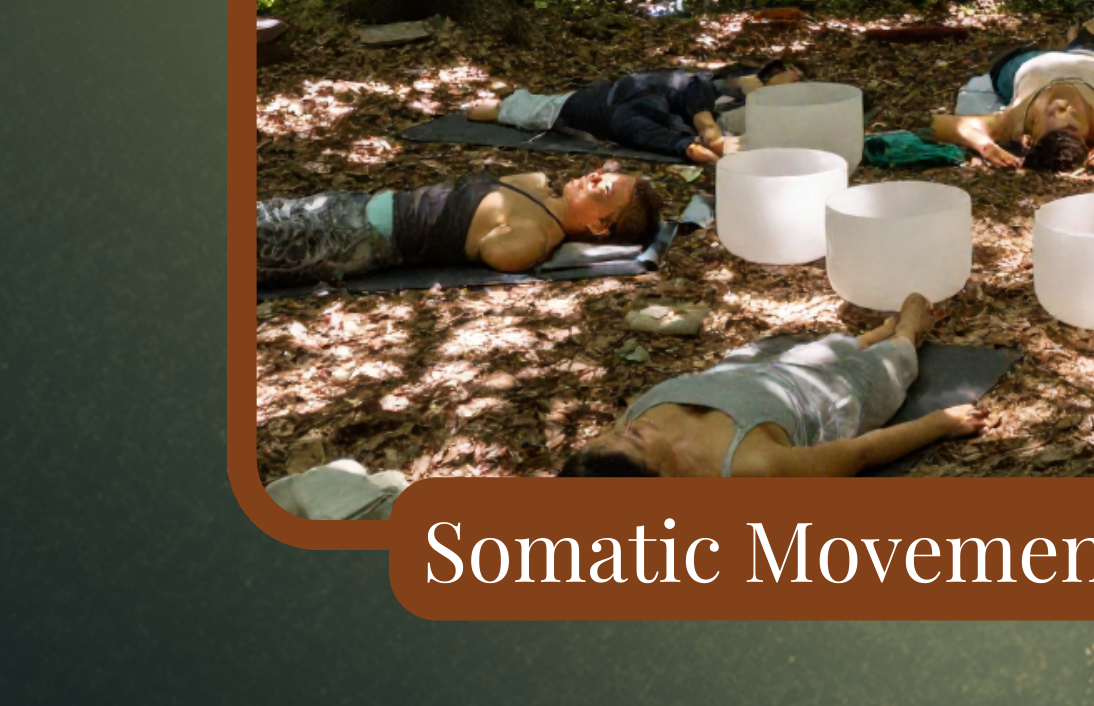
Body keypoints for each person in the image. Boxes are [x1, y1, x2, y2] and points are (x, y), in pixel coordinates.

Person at [557, 293, 981, 478]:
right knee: (897, 361)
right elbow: (859, 454)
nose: (627, 425)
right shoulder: (750, 467)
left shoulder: (607, 457)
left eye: (615, 430)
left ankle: (868, 338)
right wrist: (941, 423)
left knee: (830, 347)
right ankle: (905, 332)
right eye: (632, 440)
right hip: (829, 396)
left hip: (755, 373)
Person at [257, 166, 665, 289]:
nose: (595, 175)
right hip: (356, 204)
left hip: (354, 239)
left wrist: (537, 240)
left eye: (604, 187)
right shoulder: (537, 184)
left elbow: (499, 254)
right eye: (603, 172)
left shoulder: (537, 233)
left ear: (598, 225)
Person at [932, 18, 1094, 174]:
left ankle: (1050, 42)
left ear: (1031, 135)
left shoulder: (1015, 121)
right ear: (1091, 136)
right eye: (1071, 117)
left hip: (1028, 64)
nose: (1062, 106)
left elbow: (939, 124)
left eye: (1052, 114)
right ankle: (1073, 40)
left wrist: (984, 145)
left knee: (1006, 58)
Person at [461, 61, 803, 167]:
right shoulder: (634, 117)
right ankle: (499, 106)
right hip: (605, 103)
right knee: (531, 110)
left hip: (653, 100)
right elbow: (691, 134)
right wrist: (716, 151)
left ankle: (503, 106)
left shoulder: (734, 86)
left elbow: (705, 107)